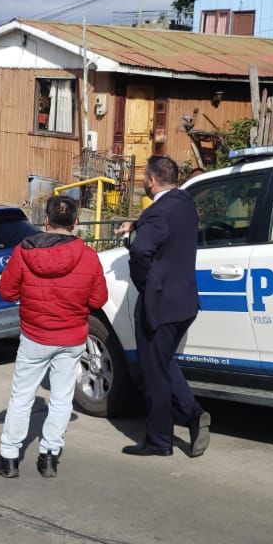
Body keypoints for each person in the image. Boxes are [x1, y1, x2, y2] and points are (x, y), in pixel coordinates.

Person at [0, 195, 107, 479]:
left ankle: (8, 457)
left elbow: (6, 291)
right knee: (62, 397)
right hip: (71, 337)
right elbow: (99, 298)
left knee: (22, 396)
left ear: (46, 221)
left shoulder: (23, 251)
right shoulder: (89, 257)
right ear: (76, 223)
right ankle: (49, 457)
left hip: (34, 335)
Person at [114, 156, 211, 457]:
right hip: (184, 303)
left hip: (160, 303)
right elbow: (163, 223)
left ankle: (160, 440)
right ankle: (193, 414)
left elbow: (143, 250)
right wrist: (137, 223)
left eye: (144, 177)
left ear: (152, 181)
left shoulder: (158, 213)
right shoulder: (184, 203)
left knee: (153, 372)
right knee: (162, 360)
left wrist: (144, 281)